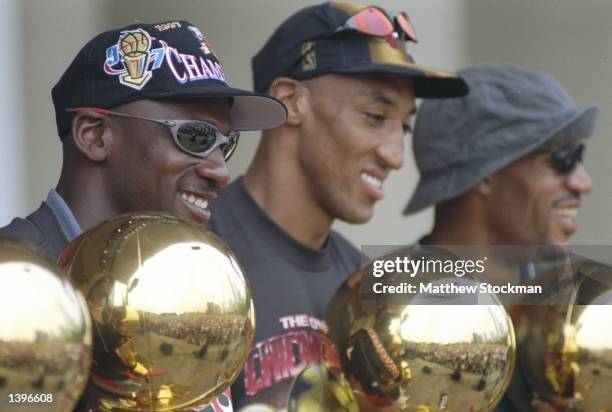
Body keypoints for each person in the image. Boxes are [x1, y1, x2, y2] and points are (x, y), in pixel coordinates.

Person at [0, 20, 287, 412]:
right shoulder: (10, 286)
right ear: (95, 135)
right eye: (197, 137)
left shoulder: (199, 293)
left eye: (226, 144)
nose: (220, 171)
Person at [209, 2, 468, 410]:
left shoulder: (364, 290)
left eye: (403, 126)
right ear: (291, 101)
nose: (396, 156)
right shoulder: (197, 249)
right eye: (374, 116)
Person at [403, 64, 599, 411]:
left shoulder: (576, 320)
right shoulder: (383, 315)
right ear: (484, 173)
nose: (584, 183)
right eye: (563, 159)